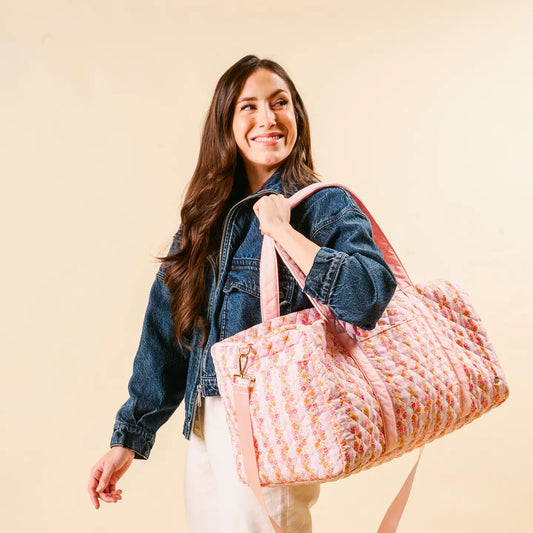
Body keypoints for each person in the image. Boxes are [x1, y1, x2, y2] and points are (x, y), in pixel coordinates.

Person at [88, 54, 397, 532]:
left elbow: (368, 296)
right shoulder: (206, 218)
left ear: (297, 115)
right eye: (249, 107)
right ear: (227, 124)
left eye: (280, 103)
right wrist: (129, 436)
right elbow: (167, 329)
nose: (268, 118)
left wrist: (283, 231)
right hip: (206, 421)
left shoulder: (323, 205)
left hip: (275, 421)